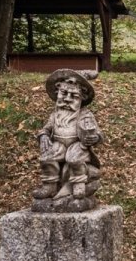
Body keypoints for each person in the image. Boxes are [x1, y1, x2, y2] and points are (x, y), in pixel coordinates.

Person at [33, 69, 104, 201]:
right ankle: (50, 185)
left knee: (74, 159)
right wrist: (43, 136)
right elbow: (46, 128)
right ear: (57, 93)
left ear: (81, 99)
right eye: (64, 93)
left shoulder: (84, 114)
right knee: (47, 158)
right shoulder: (55, 115)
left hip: (78, 144)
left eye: (74, 96)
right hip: (58, 144)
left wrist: (95, 138)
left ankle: (78, 183)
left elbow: (98, 133)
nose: (67, 99)